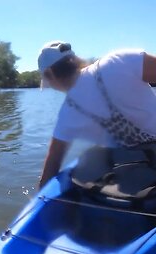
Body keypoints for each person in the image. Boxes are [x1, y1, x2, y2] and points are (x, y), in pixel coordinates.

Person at [37, 41, 156, 188]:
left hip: (135, 164)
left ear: (50, 75)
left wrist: (40, 193)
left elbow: (52, 163)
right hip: (139, 161)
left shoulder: (67, 112)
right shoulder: (118, 61)